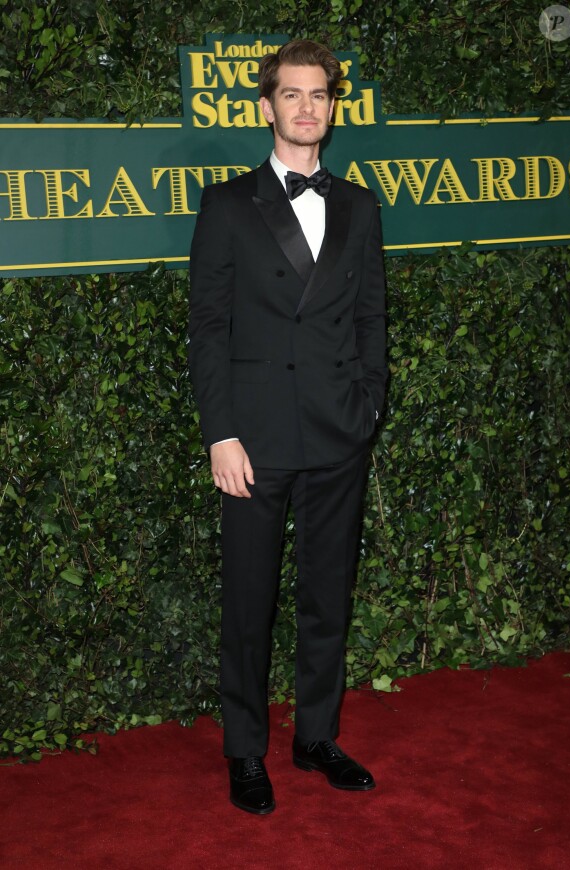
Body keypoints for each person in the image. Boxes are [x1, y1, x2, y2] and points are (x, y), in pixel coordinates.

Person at [188, 38, 387, 815]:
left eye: (321, 96)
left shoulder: (362, 206)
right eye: (293, 95)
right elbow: (209, 327)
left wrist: (368, 405)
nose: (309, 108)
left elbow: (371, 316)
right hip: (256, 440)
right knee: (248, 602)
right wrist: (220, 433)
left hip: (339, 432)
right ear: (267, 106)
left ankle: (315, 737)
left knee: (327, 596)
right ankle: (245, 751)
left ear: (333, 108)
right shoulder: (228, 205)